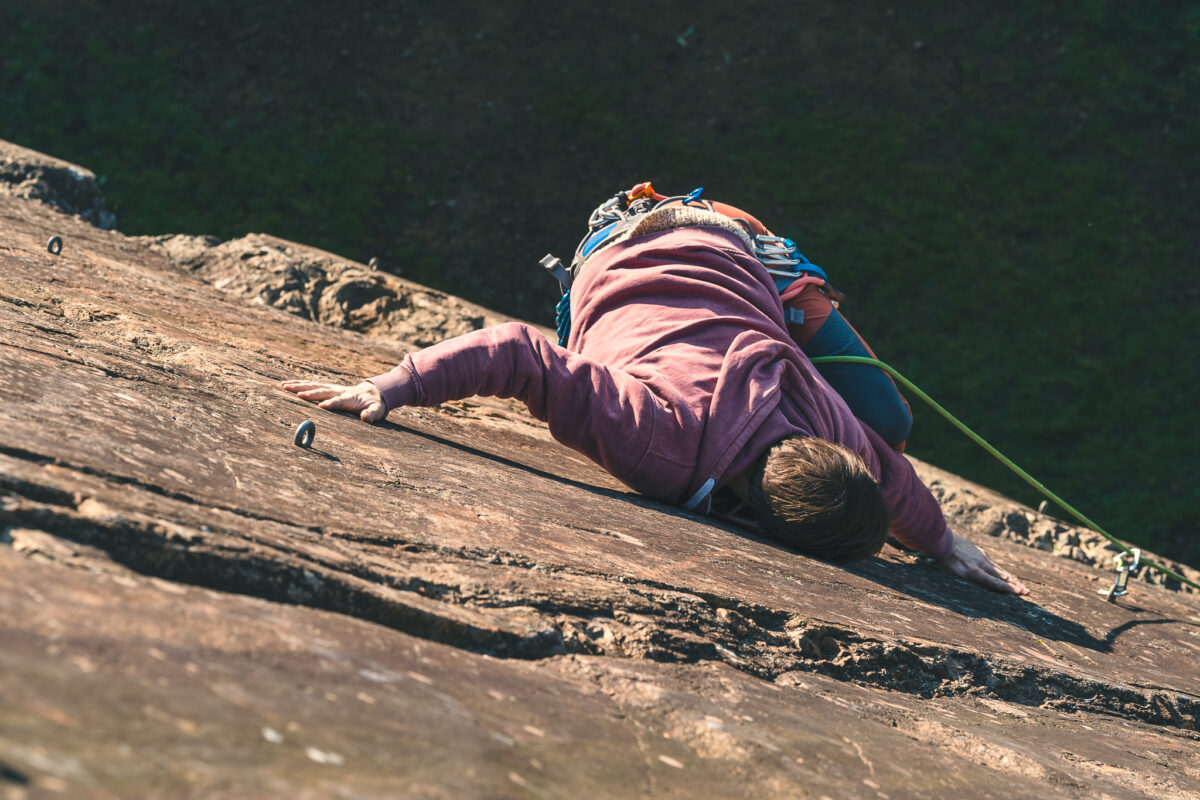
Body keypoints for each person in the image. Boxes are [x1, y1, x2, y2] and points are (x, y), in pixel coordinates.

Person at [283, 182, 1028, 595]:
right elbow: (520, 354)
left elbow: (886, 471)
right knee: (889, 423)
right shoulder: (658, 443)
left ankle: (789, 286)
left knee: (887, 421)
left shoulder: (825, 427)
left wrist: (942, 541)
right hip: (628, 247)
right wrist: (391, 388)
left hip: (726, 240)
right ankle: (793, 288)